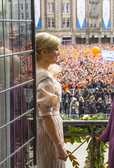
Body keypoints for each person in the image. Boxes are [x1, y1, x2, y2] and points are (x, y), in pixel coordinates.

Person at [36, 32, 68, 167]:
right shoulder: (45, 77)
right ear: (44, 52)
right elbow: (46, 115)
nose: (58, 53)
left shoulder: (38, 73)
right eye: (56, 49)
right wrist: (58, 145)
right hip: (50, 132)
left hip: (43, 130)